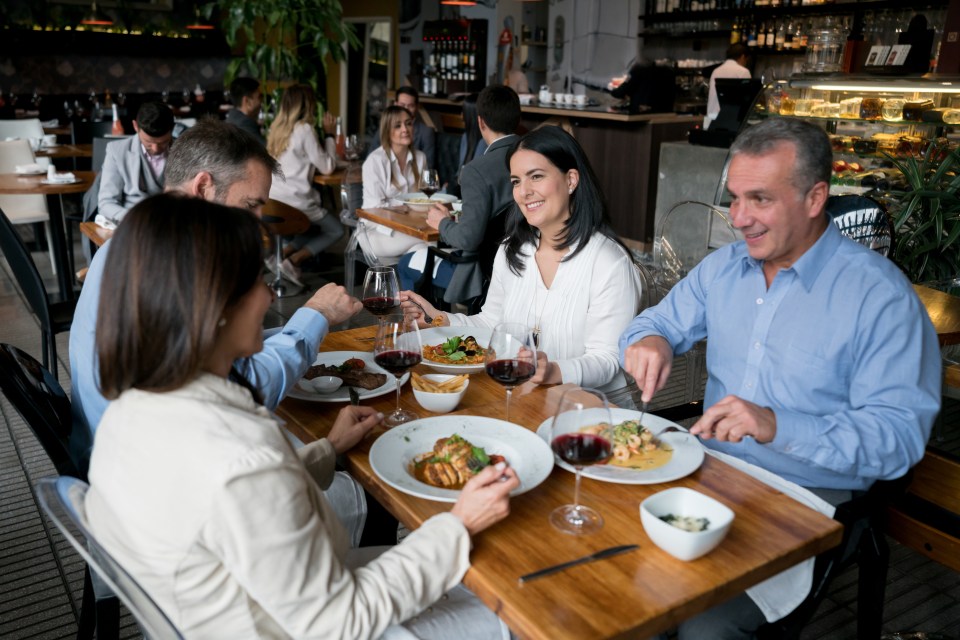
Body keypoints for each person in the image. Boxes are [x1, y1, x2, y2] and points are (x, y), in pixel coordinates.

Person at [84, 194, 519, 638]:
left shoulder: (128, 409)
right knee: (511, 609)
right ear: (212, 309)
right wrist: (459, 523)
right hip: (300, 624)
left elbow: (239, 509)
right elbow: (340, 620)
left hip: (237, 608)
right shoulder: (242, 457)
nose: (268, 295)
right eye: (255, 280)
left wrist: (328, 450)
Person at [619, 118, 940, 638]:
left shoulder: (880, 298)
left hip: (809, 498)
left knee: (703, 627)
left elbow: (898, 440)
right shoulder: (723, 268)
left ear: (815, 198)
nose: (738, 218)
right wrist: (650, 339)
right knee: (618, 577)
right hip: (709, 470)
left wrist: (776, 425)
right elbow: (652, 323)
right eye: (734, 198)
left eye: (760, 199)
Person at [70, 118, 358, 435]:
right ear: (203, 187)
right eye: (250, 205)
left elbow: (214, 356)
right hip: (150, 454)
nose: (256, 224)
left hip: (112, 438)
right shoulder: (177, 262)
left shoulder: (137, 238)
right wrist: (317, 314)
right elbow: (247, 389)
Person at [403, 125, 641, 394]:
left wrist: (553, 370)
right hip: (526, 398)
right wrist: (438, 318)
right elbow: (491, 323)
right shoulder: (512, 249)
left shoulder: (609, 263)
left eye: (536, 176)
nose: (523, 192)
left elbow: (607, 359)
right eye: (516, 181)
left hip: (590, 408)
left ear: (571, 180)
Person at [397, 85, 521, 302]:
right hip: (522, 267)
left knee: (405, 263)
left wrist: (442, 223)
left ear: (480, 122)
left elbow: (467, 239)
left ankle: (426, 321)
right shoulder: (534, 158)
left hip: (481, 275)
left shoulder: (477, 170)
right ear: (517, 119)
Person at [266, 84, 342, 287]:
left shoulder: (276, 129)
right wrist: (329, 135)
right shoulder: (304, 129)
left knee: (310, 229)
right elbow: (327, 167)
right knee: (336, 230)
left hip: (273, 202)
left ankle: (280, 256)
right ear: (308, 105)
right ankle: (293, 261)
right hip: (295, 202)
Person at [359, 105, 430, 264]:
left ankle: (404, 281)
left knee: (423, 251)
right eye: (397, 126)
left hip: (409, 227)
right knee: (428, 241)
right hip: (375, 231)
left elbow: (422, 198)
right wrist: (408, 206)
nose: (405, 129)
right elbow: (374, 208)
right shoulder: (375, 161)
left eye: (408, 123)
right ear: (387, 131)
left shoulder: (420, 158)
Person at [97, 100, 174, 224]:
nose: (155, 149)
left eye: (163, 143)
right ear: (135, 126)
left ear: (172, 129)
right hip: (131, 222)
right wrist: (135, 218)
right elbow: (106, 203)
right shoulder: (116, 151)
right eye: (148, 142)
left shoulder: (184, 150)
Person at [704, 43, 751, 130]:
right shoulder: (743, 71)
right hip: (730, 122)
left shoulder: (716, 71)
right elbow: (747, 98)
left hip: (711, 119)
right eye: (746, 60)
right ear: (743, 57)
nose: (745, 63)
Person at [395, 85, 436, 170]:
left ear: (417, 107)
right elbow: (372, 154)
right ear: (395, 105)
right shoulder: (386, 127)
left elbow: (428, 166)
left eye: (410, 106)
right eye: (402, 105)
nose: (406, 109)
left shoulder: (426, 132)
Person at [225, 76, 265, 145]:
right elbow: (269, 149)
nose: (261, 102)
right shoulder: (245, 124)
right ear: (247, 101)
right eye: (259, 97)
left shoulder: (233, 118)